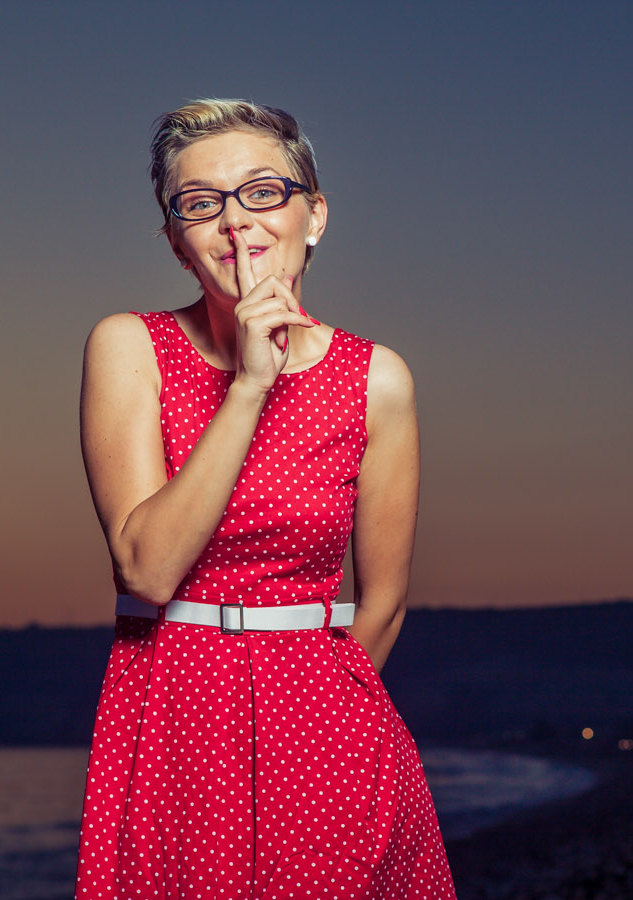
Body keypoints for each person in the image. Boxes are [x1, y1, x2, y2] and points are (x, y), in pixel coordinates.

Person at [73, 99, 457, 899]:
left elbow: (383, 604)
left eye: (261, 192)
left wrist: (315, 724)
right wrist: (250, 383)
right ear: (179, 243)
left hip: (328, 733)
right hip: (171, 717)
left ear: (313, 216)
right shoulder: (128, 347)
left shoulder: (377, 379)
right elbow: (144, 568)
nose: (234, 223)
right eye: (200, 204)